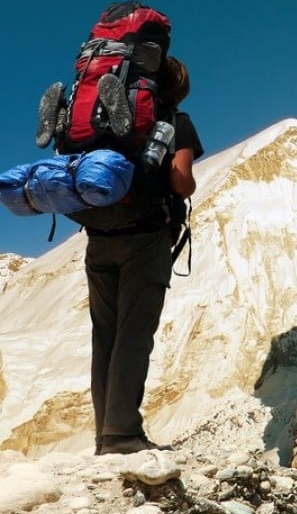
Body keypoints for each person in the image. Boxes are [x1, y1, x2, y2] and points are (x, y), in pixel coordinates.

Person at [90, 55, 204, 455]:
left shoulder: (108, 123)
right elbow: (180, 180)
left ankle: (106, 436)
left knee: (105, 336)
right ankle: (121, 435)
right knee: (134, 336)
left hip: (99, 234)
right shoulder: (177, 120)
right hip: (146, 238)